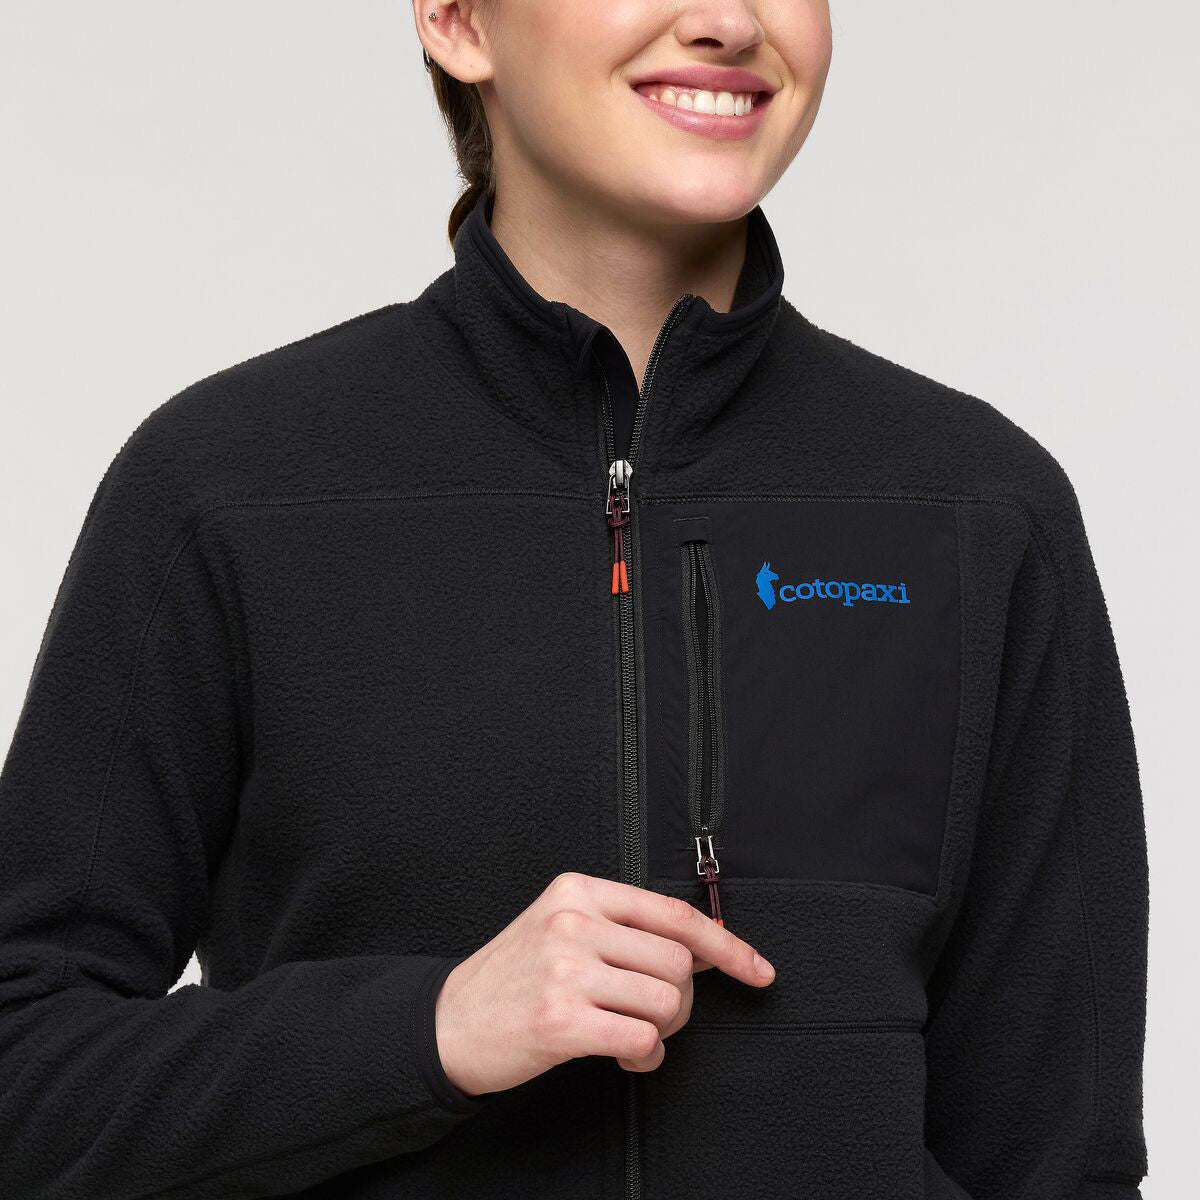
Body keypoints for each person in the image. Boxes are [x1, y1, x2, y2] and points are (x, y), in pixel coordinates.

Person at [0, 2, 1148, 1198]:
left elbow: (1058, 1158)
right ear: (457, 21)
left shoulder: (977, 510)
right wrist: (430, 1029)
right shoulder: (226, 490)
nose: (728, 20)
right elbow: (21, 1071)